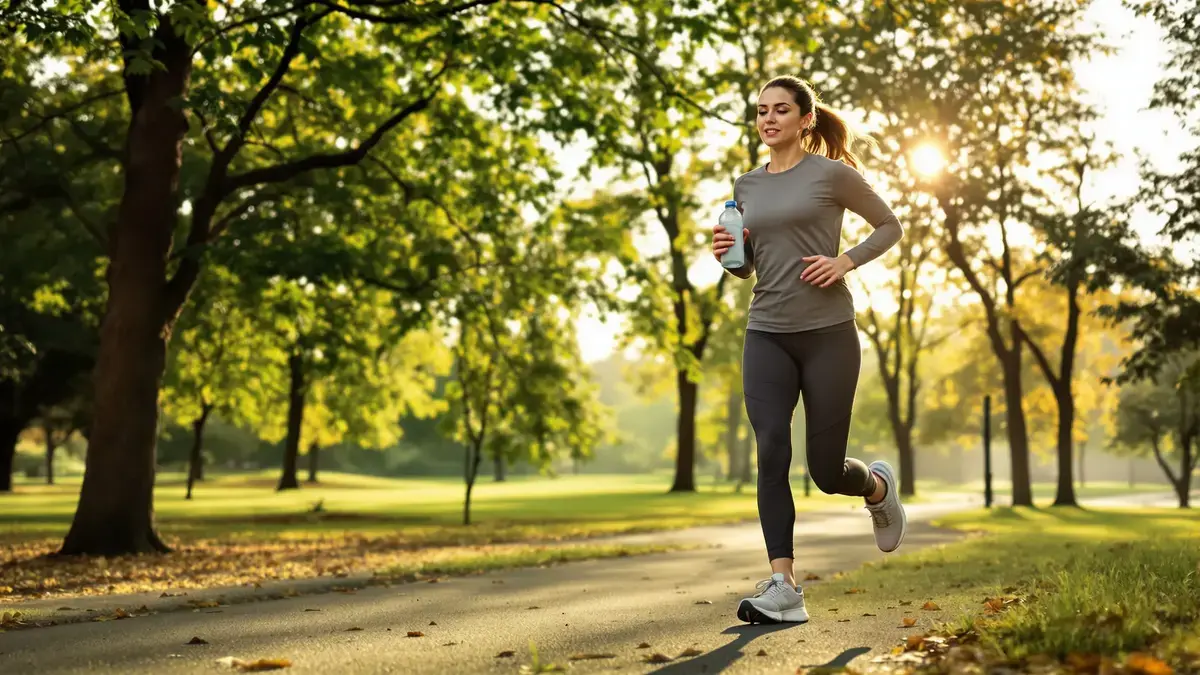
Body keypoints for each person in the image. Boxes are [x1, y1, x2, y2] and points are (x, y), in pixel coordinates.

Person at [711, 76, 907, 625]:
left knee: (824, 471)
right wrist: (729, 252)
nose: (768, 119)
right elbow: (750, 265)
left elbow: (890, 226)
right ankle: (784, 586)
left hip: (828, 335)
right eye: (761, 111)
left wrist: (844, 261)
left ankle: (876, 486)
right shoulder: (745, 185)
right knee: (771, 448)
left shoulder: (832, 175)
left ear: (805, 119)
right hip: (766, 332)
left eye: (780, 110)